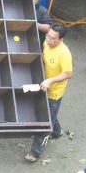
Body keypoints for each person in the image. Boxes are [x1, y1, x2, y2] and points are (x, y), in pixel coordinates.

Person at [25, 23, 73, 163]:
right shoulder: (47, 44)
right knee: (50, 114)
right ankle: (57, 132)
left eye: (53, 38)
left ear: (61, 39)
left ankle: (35, 152)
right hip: (43, 86)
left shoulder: (64, 53)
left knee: (44, 124)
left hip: (54, 92)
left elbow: (68, 74)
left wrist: (50, 81)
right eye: (48, 36)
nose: (49, 39)